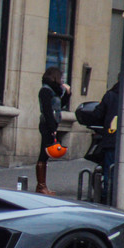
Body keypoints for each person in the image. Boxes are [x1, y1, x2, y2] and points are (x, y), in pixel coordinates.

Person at [36, 67, 71, 195]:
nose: (62, 80)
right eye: (60, 77)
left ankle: (42, 185)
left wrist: (67, 93)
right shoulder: (45, 90)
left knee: (45, 154)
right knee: (44, 153)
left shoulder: (53, 91)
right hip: (47, 124)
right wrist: (52, 129)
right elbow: (47, 111)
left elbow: (59, 106)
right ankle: (41, 186)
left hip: (51, 124)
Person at [92, 80, 120, 203]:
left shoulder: (110, 95)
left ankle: (107, 197)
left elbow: (97, 114)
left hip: (111, 138)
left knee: (110, 171)